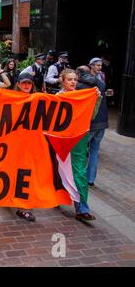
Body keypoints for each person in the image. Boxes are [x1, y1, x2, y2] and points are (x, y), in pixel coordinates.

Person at [58, 69, 100, 221]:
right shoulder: (57, 98)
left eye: (75, 79)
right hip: (61, 140)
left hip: (79, 139)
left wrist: (96, 99)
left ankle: (82, 208)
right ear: (62, 81)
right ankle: (57, 198)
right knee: (60, 171)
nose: (73, 82)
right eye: (69, 79)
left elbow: (91, 116)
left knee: (79, 172)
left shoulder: (83, 96)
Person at [77, 61, 109, 186]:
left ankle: (79, 177)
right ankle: (90, 179)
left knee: (80, 151)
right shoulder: (100, 83)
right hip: (103, 122)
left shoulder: (80, 85)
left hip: (91, 122)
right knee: (94, 150)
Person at [13, 73, 37, 221]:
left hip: (30, 146)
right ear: (19, 84)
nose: (26, 86)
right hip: (13, 145)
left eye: (29, 83)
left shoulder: (38, 100)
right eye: (24, 83)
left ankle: (23, 207)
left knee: (26, 175)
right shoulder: (11, 99)